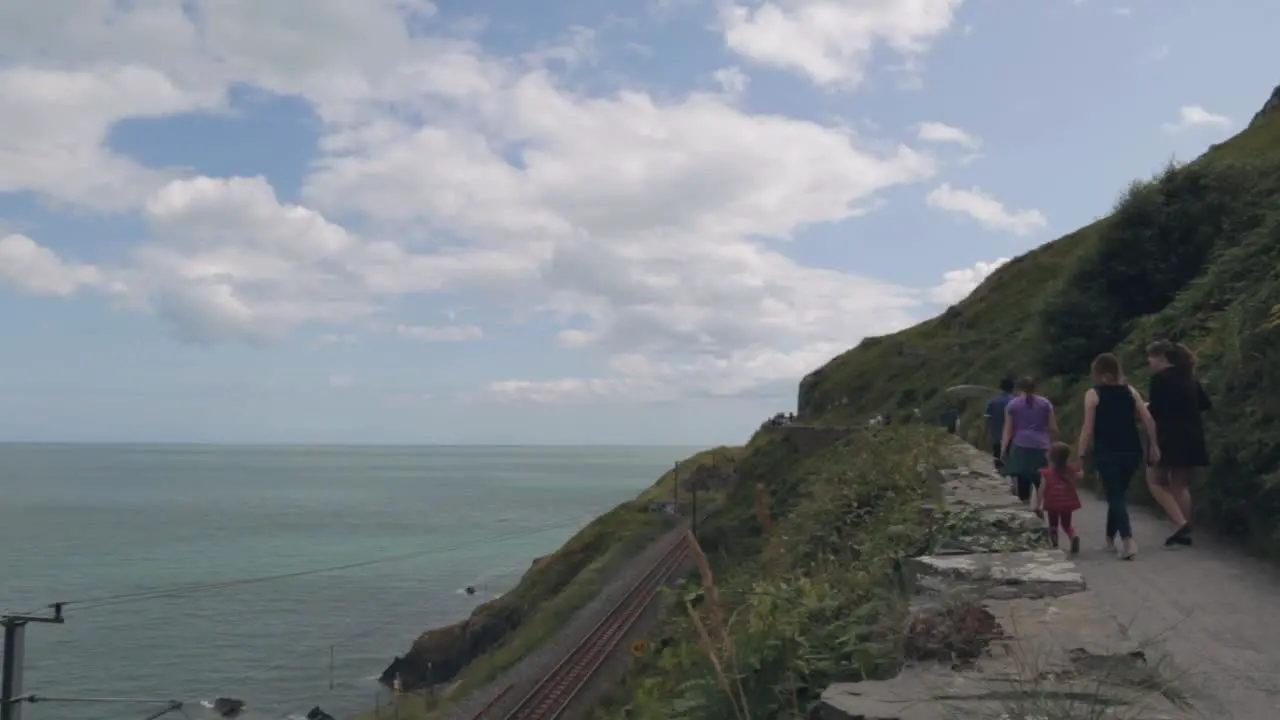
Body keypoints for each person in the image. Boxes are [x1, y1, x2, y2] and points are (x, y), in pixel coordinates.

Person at [1077, 353, 1160, 560]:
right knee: (1118, 494)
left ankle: (1128, 540)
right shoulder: (1130, 391)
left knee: (1115, 495)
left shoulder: (1093, 394)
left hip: (1107, 450)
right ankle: (1109, 540)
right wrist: (1155, 445)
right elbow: (1148, 419)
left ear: (1100, 373)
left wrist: (1080, 454)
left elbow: (1087, 429)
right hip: (1132, 449)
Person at [1145, 340, 1212, 547]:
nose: (1149, 362)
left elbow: (1154, 411)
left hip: (1168, 436)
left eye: (1151, 358)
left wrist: (1146, 407)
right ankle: (1185, 528)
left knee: (1155, 481)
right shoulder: (1189, 378)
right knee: (1180, 485)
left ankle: (1179, 522)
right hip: (1192, 436)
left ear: (1161, 358)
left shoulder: (1159, 380)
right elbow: (1205, 404)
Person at [1001, 376, 1057, 510]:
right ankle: (1039, 507)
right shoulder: (1045, 404)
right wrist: (1052, 445)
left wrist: (1003, 450)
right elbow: (1053, 428)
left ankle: (1026, 511)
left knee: (1023, 483)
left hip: (1021, 447)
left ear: (1019, 389)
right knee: (1042, 482)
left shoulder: (1013, 405)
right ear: (1036, 388)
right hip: (1042, 447)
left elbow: (1008, 431)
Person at [1036, 441, 1082, 555]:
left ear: (1051, 457)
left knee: (1053, 525)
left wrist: (1038, 505)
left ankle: (1055, 543)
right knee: (1067, 524)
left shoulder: (1046, 473)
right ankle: (1073, 536)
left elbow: (1041, 489)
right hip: (1067, 502)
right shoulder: (1070, 470)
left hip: (1052, 503)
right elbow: (1079, 476)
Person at [985, 377, 1016, 472]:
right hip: (1013, 437)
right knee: (1011, 460)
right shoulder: (1016, 402)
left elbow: (988, 420)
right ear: (1013, 388)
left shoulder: (993, 402)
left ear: (1001, 387)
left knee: (998, 461)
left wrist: (985, 434)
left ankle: (1001, 478)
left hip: (997, 436)